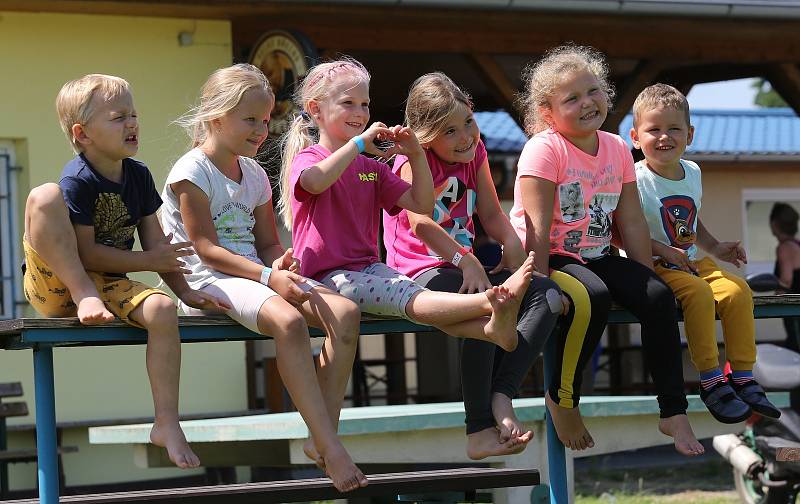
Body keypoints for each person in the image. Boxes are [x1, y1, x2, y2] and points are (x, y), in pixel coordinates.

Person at [160, 64, 368, 492]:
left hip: (255, 276)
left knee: (344, 313)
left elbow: (267, 243)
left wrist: (282, 263)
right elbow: (206, 250)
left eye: (266, 120)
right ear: (216, 117)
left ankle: (320, 434)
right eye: (250, 120)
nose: (261, 130)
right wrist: (268, 276)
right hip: (207, 280)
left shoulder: (253, 172)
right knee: (288, 322)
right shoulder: (192, 171)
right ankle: (332, 446)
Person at [23, 74, 229, 469]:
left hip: (107, 284)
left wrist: (185, 293)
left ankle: (166, 421)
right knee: (43, 196)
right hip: (60, 282)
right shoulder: (78, 179)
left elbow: (156, 247)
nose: (132, 123)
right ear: (83, 134)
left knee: (162, 312)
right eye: (118, 117)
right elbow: (86, 254)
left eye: (133, 114)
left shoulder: (138, 176)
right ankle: (84, 296)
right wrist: (144, 264)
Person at [509, 45, 705, 455]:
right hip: (551, 255)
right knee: (590, 297)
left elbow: (630, 221)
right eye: (572, 98)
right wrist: (541, 286)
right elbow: (537, 228)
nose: (587, 103)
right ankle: (563, 398)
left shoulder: (616, 147)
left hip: (597, 254)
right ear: (548, 112)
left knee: (657, 297)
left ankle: (673, 410)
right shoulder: (545, 149)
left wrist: (644, 276)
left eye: (593, 91)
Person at [279, 57, 535, 360]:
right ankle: (491, 302)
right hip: (326, 278)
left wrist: (415, 154)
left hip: (368, 270)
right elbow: (315, 182)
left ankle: (487, 329)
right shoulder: (309, 158)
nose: (360, 113)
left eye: (365, 104)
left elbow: (421, 204)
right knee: (409, 295)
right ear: (315, 109)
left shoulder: (371, 168)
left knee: (419, 300)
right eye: (349, 103)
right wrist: (359, 144)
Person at [383, 72, 576, 460]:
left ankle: (503, 394)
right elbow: (421, 223)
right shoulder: (410, 160)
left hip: (468, 269)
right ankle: (478, 428)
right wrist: (466, 259)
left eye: (468, 122)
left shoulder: (477, 153)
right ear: (426, 137)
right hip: (421, 271)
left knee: (548, 296)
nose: (465, 136)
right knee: (487, 301)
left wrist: (512, 246)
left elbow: (489, 211)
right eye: (450, 131)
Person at [631, 83, 780, 423]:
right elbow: (623, 233)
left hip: (695, 261)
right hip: (655, 264)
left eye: (674, 129)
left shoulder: (693, 172)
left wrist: (716, 247)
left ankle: (742, 376)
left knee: (737, 290)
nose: (664, 137)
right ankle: (711, 380)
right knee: (698, 294)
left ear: (690, 134)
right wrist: (663, 251)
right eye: (654, 129)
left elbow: (691, 220)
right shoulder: (635, 179)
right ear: (636, 137)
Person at [770, 202, 800, 351]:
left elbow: (786, 280)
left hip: (795, 311)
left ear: (775, 224)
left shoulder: (785, 248)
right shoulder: (797, 244)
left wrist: (774, 302)